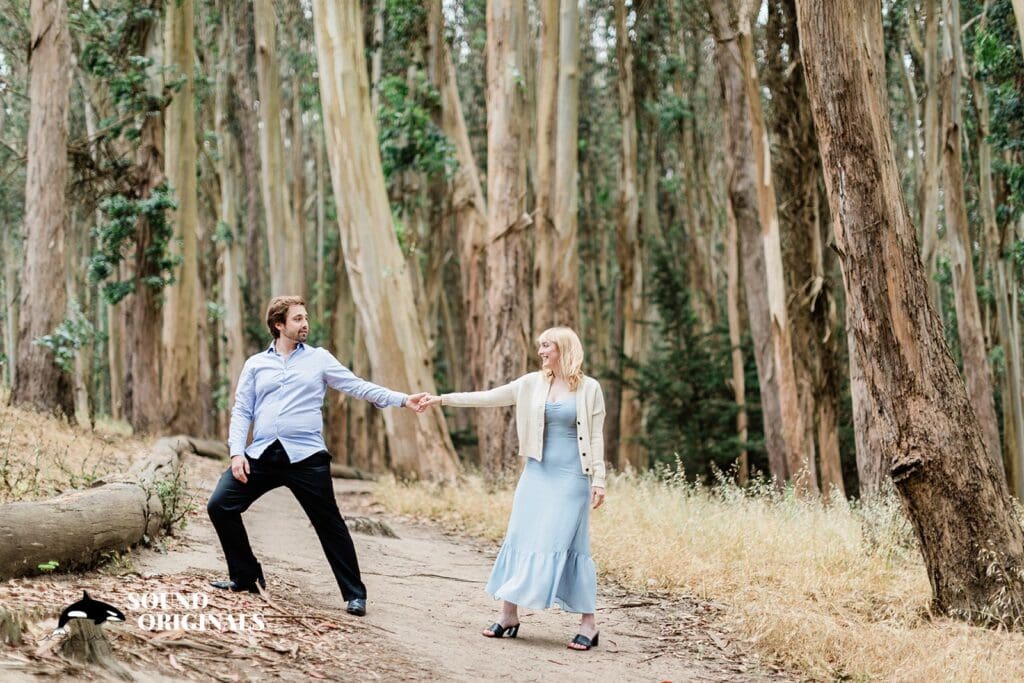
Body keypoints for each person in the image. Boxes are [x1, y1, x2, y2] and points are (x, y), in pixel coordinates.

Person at [207, 295, 428, 617]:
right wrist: (236, 453)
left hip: (307, 457)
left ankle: (355, 594)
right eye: (297, 319)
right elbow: (242, 410)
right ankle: (245, 577)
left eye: (305, 318)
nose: (305, 324)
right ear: (278, 325)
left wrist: (403, 399)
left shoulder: (319, 359)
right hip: (262, 454)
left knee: (329, 523)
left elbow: (358, 386)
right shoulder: (256, 364)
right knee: (220, 505)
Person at [422, 326, 607, 650]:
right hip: (536, 474)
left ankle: (589, 624)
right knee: (519, 537)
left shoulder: (590, 388)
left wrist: (600, 480)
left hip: (572, 478)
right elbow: (488, 398)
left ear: (563, 348)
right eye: (540, 346)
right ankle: (509, 614)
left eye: (546, 345)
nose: (541, 352)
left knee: (572, 547)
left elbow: (596, 437)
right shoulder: (531, 383)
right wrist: (442, 399)